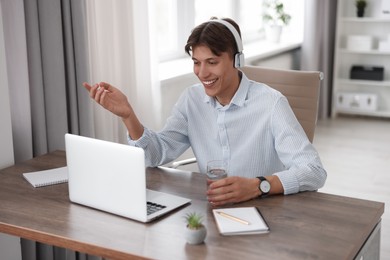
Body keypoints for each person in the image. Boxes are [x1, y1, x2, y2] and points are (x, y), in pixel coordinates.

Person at [83, 17, 327, 207]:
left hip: (266, 209)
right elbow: (156, 155)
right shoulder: (192, 99)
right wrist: (129, 116)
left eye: (212, 62)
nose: (202, 73)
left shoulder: (272, 104)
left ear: (237, 61)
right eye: (196, 62)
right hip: (211, 211)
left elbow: (314, 172)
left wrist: (258, 186)